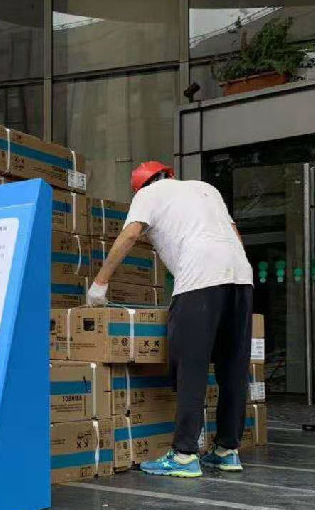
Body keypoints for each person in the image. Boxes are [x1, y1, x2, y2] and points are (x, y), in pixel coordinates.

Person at [86, 161, 254, 478]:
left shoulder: (148, 195)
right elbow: (234, 234)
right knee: (233, 366)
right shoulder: (206, 189)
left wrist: (100, 283)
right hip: (241, 277)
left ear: (140, 186)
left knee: (190, 366)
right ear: (169, 175)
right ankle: (227, 449)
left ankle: (184, 455)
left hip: (199, 279)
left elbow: (130, 235)